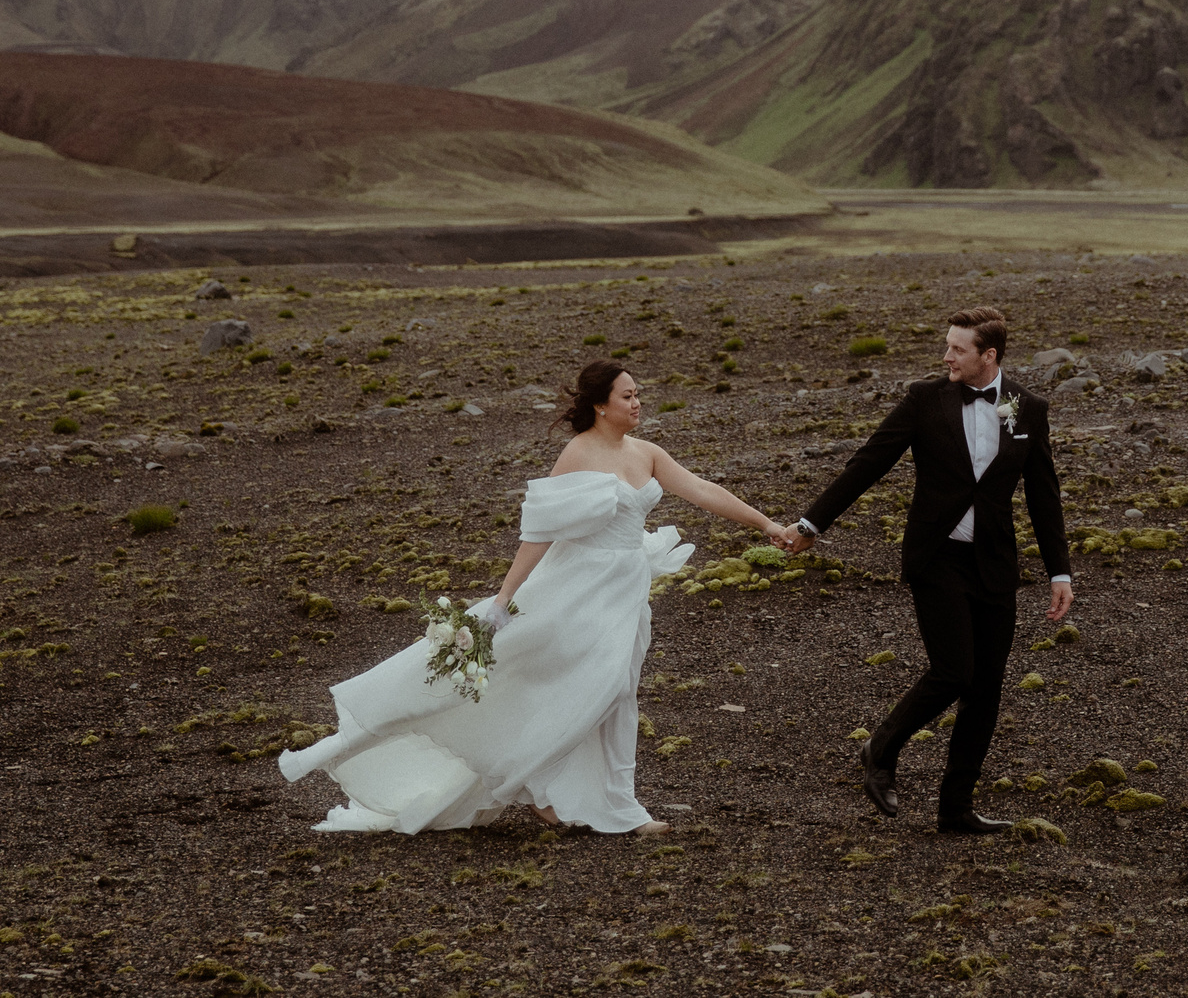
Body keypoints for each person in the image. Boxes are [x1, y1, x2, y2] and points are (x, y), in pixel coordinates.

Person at [278, 361, 790, 836]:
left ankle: (612, 804)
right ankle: (527, 781)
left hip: (625, 588)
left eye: (638, 395)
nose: (637, 404)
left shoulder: (647, 452)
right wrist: (504, 598)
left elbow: (701, 489)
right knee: (587, 684)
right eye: (628, 396)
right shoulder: (577, 454)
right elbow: (539, 534)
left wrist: (765, 524)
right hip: (574, 589)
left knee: (618, 691)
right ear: (600, 405)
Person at [782, 305, 1073, 833]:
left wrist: (1060, 572)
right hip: (936, 558)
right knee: (953, 671)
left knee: (985, 688)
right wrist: (811, 525)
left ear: (990, 356)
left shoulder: (1021, 407)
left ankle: (956, 810)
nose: (946, 356)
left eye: (958, 349)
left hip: (993, 564)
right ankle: (881, 748)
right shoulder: (925, 398)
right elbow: (868, 463)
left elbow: (1043, 495)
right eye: (947, 345)